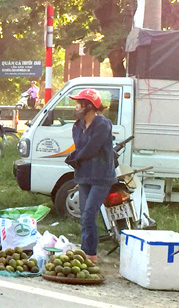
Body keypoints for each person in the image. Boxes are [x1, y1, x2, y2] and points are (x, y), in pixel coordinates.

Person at [65, 89, 116, 264]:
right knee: (84, 215)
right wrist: (75, 157)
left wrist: (74, 157)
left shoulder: (103, 124)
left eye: (79, 103)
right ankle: (86, 252)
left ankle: (90, 253)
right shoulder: (77, 126)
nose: (76, 107)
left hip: (101, 177)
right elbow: (80, 147)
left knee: (88, 214)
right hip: (84, 175)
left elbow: (90, 148)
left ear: (90, 106)